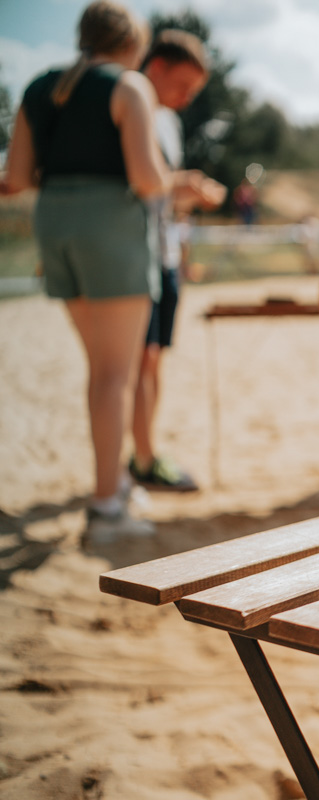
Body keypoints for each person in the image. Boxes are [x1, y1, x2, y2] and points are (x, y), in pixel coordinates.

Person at [2, 1, 172, 537]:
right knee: (113, 375)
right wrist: (177, 181)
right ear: (133, 44)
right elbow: (147, 178)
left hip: (54, 223)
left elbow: (18, 178)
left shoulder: (39, 86)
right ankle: (106, 506)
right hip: (110, 228)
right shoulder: (129, 86)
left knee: (102, 371)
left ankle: (114, 484)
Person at [130, 29, 227, 492]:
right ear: (156, 68)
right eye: (183, 85)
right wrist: (182, 181)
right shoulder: (131, 107)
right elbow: (142, 182)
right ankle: (137, 461)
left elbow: (163, 195)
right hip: (135, 253)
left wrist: (189, 195)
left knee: (153, 360)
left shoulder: (168, 120)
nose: (187, 97)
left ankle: (145, 455)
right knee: (137, 361)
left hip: (164, 253)